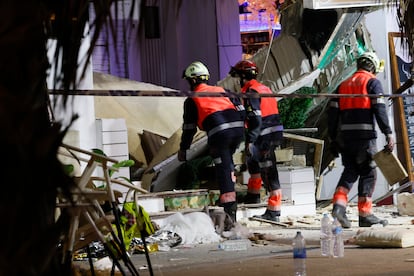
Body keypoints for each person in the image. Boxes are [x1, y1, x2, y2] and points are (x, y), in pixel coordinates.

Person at [328, 51, 394, 228]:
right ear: (372, 66)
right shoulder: (372, 82)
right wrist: (388, 133)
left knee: (350, 172)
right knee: (368, 172)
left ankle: (339, 208)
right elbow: (379, 109)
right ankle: (365, 214)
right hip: (365, 139)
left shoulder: (342, 85)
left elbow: (332, 115)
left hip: (346, 139)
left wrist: (333, 139)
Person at [178, 61, 245, 224]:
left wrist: (183, 150)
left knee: (223, 169)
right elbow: (241, 110)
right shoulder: (223, 91)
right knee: (227, 164)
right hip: (238, 130)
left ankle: (230, 213)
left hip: (220, 134)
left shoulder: (192, 99)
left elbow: (189, 129)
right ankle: (229, 193)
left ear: (192, 81)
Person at [229, 60, 284, 222]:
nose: (237, 81)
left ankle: (274, 211)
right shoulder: (263, 88)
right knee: (253, 162)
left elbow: (256, 119)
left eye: (238, 76)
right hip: (271, 133)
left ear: (243, 77)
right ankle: (253, 196)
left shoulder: (251, 92)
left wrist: (250, 140)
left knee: (268, 171)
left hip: (263, 136)